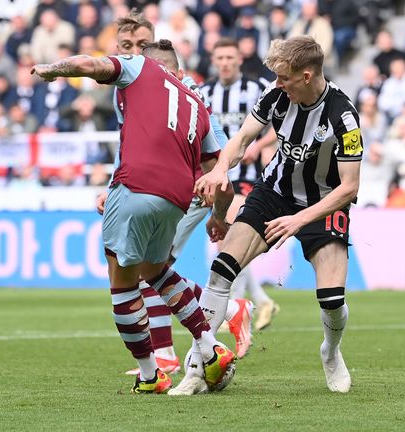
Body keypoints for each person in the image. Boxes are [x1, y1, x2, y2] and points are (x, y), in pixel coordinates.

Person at [31, 40, 237, 394]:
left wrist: (54, 69)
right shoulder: (198, 107)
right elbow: (221, 181)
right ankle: (207, 344)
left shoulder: (140, 67)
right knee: (154, 270)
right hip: (176, 200)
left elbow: (91, 65)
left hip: (136, 185)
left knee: (122, 282)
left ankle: (149, 375)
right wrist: (218, 217)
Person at [179, 35, 362, 395]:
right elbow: (243, 138)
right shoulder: (276, 96)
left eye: (284, 78)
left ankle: (331, 351)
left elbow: (350, 187)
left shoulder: (343, 116)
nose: (277, 84)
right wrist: (220, 170)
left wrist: (300, 219)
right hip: (274, 194)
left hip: (324, 202)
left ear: (307, 76)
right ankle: (197, 367)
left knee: (332, 299)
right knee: (221, 271)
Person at [96, 11, 254, 377]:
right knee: (154, 268)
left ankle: (169, 353)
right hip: (165, 183)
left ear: (152, 42)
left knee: (150, 269)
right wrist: (111, 185)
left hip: (188, 186)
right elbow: (131, 142)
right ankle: (222, 318)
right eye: (127, 46)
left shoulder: (176, 84)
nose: (134, 52)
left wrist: (211, 181)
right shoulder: (126, 88)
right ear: (117, 48)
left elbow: (214, 139)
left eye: (141, 45)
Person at [201, 37, 281, 334]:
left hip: (247, 176)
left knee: (231, 237)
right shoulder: (204, 92)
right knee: (227, 239)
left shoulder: (257, 87)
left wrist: (258, 143)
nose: (224, 62)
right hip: (217, 176)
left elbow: (281, 123)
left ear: (238, 59)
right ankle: (258, 300)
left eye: (229, 57)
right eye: (219, 57)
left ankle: (234, 307)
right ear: (213, 60)